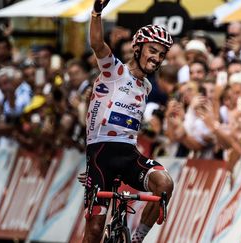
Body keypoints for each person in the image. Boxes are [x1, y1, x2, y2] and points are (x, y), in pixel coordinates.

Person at [83, 1, 174, 242]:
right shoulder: (114, 71)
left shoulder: (147, 85)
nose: (157, 58)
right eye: (152, 50)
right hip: (101, 154)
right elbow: (97, 44)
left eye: (161, 54)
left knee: (164, 184)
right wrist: (97, 13)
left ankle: (136, 239)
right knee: (93, 230)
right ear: (137, 48)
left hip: (129, 155)